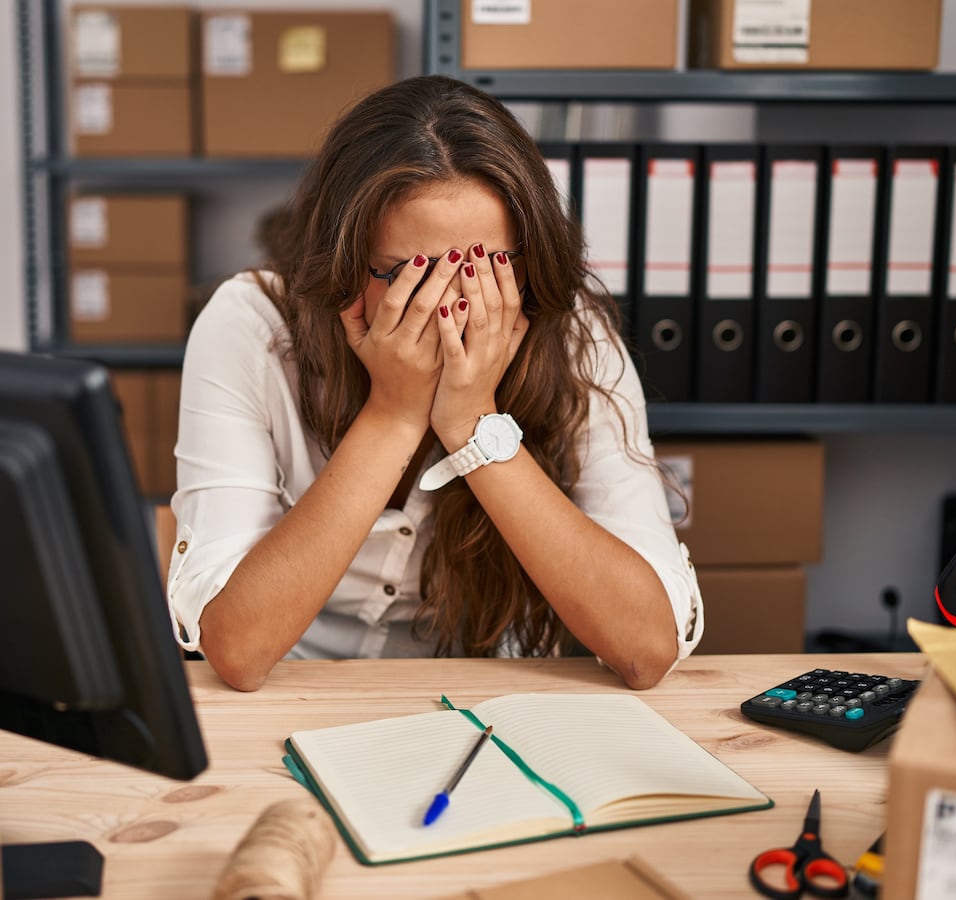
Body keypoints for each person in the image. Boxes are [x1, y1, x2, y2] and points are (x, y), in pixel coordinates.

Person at [166, 74, 703, 692]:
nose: (449, 310)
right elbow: (236, 649)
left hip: (487, 695)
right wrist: (393, 414)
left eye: (486, 274)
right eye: (409, 277)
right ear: (343, 266)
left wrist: (475, 426)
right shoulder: (251, 326)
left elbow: (647, 647)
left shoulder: (572, 332)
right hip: (293, 687)